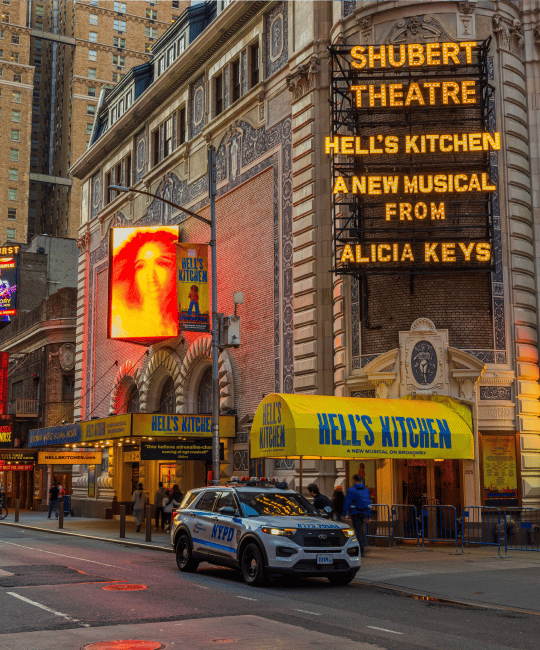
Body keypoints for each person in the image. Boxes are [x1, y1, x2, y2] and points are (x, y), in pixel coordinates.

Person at [110, 226, 178, 339]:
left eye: (161, 264)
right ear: (132, 275)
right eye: (141, 266)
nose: (151, 275)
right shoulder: (123, 324)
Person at [343, 475, 372, 557]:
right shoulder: (365, 490)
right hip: (363, 512)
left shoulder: (351, 490)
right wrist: (368, 515)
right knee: (360, 530)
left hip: (355, 512)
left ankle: (360, 550)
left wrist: (345, 513)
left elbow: (347, 502)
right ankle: (362, 548)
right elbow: (368, 503)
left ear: (354, 480)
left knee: (357, 531)